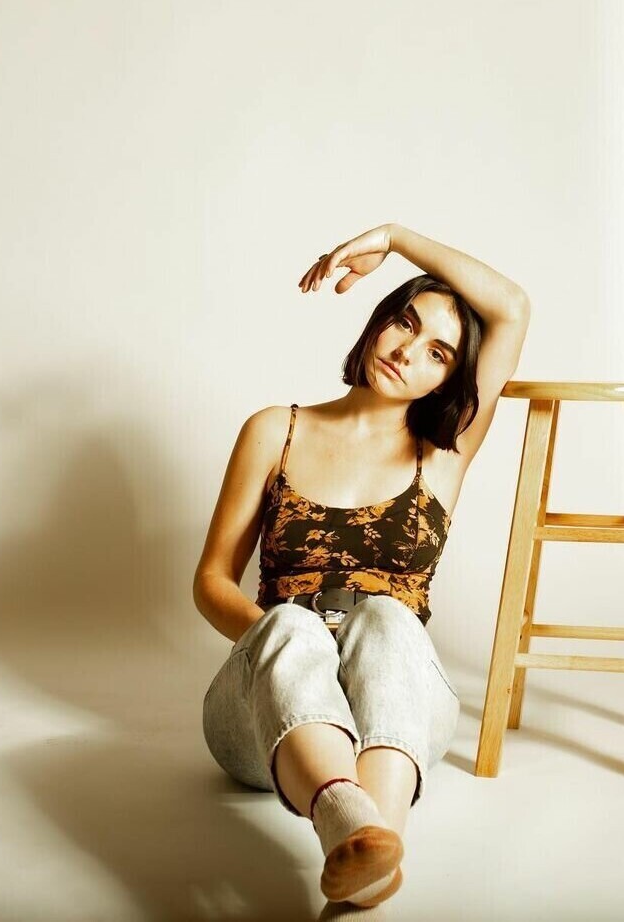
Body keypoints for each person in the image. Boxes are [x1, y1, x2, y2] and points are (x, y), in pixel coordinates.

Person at [194, 222, 530, 918]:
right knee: (293, 625)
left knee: (389, 619)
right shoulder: (275, 430)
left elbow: (511, 308)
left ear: (451, 379)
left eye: (437, 353)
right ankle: (351, 827)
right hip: (267, 715)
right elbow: (211, 582)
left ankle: (363, 857)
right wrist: (286, 642)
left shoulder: (444, 453)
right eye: (404, 324)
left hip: (392, 711)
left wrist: (395, 237)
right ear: (378, 322)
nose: (408, 353)